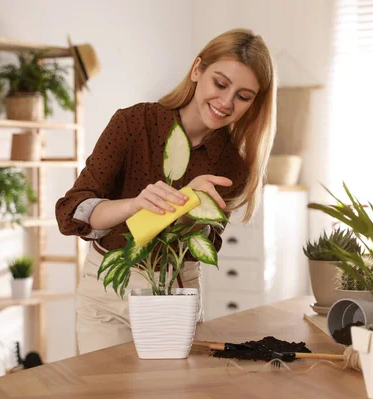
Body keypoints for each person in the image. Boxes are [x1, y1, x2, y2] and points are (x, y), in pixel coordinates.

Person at [55, 28, 277, 354]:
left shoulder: (233, 167)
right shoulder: (133, 124)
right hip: (108, 296)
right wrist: (136, 204)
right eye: (220, 83)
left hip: (176, 294)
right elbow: (72, 211)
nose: (226, 102)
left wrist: (185, 204)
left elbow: (200, 247)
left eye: (243, 96)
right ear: (197, 69)